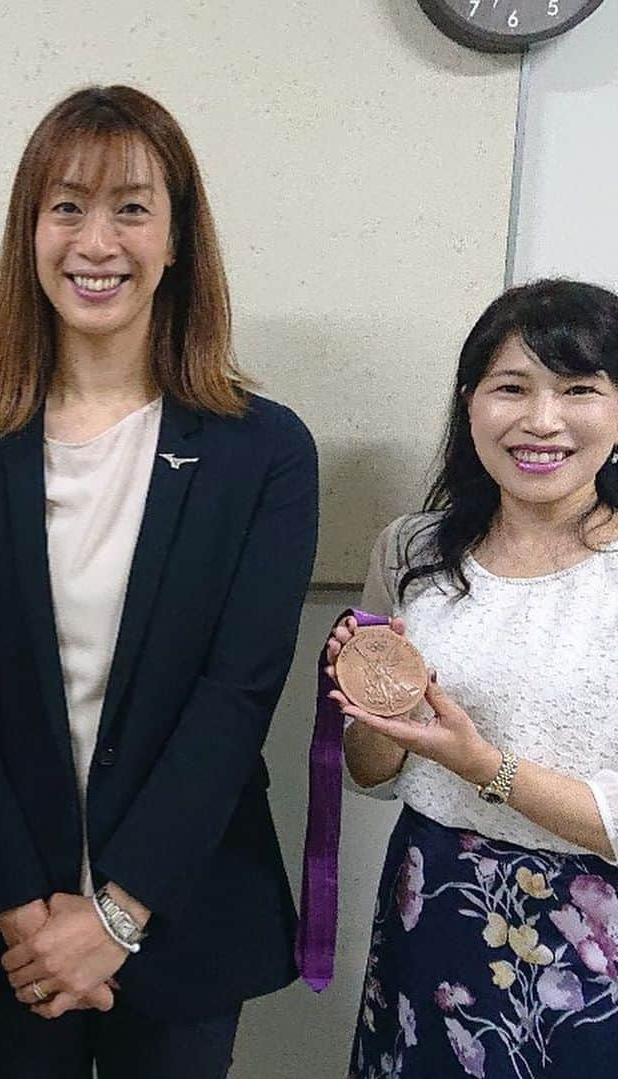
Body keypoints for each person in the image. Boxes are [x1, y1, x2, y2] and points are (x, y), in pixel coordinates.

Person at [0, 85, 318, 1079]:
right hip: (9, 917)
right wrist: (28, 910)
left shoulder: (263, 451)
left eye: (132, 207)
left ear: (177, 240)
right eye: (66, 206)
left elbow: (239, 692)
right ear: (28, 234)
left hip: (187, 904)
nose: (98, 241)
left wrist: (117, 913)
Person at [329, 279, 618, 1078]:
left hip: (594, 939)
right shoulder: (412, 550)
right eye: (512, 387)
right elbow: (369, 772)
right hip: (433, 904)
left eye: (580, 389)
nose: (542, 420)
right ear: (470, 404)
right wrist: (378, 717)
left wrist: (481, 764)